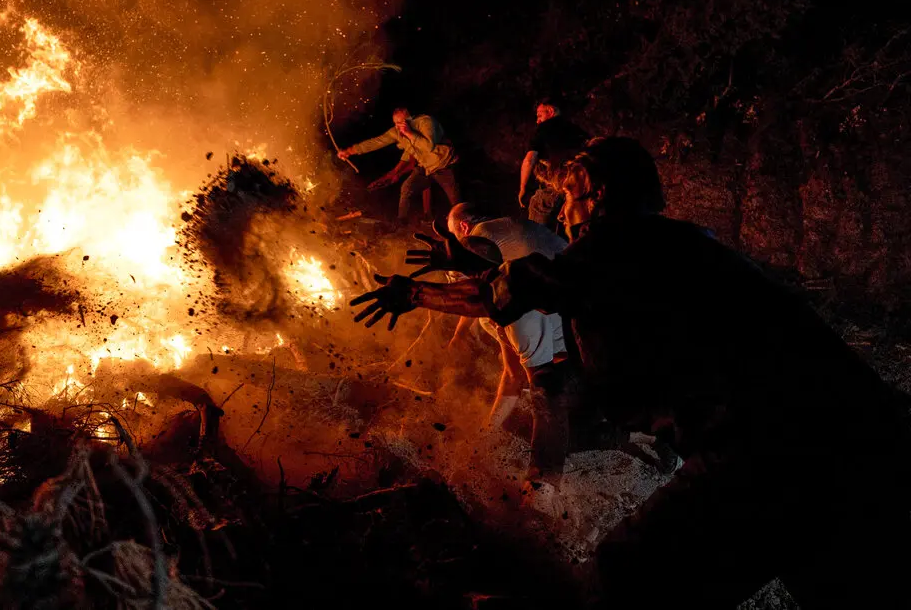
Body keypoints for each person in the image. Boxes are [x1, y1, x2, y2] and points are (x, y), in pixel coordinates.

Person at [352, 137, 911, 608]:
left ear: (597, 197)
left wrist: (414, 292)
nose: (563, 211)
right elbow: (557, 276)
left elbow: (514, 288)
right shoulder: (683, 245)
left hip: (765, 451)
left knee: (626, 573)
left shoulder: (615, 247)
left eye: (568, 197)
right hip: (863, 442)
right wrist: (463, 259)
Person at [439, 203, 570, 478]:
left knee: (546, 390)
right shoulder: (503, 233)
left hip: (588, 329)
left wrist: (484, 437)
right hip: (569, 300)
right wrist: (460, 332)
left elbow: (517, 379)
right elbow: (484, 290)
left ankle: (545, 479)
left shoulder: (520, 311)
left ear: (464, 227)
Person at [337, 107, 461, 224]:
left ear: (409, 120)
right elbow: (375, 142)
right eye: (395, 123)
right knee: (406, 188)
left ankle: (463, 225)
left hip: (444, 165)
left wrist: (409, 133)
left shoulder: (425, 122)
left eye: (400, 122)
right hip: (426, 168)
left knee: (455, 201)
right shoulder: (396, 132)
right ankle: (401, 222)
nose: (398, 126)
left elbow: (428, 147)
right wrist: (349, 151)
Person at [518, 97, 589, 231]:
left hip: (553, 187)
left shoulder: (544, 128)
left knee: (537, 233)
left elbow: (529, 159)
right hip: (576, 192)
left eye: (539, 115)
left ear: (550, 111)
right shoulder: (576, 130)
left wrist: (523, 188)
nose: (537, 120)